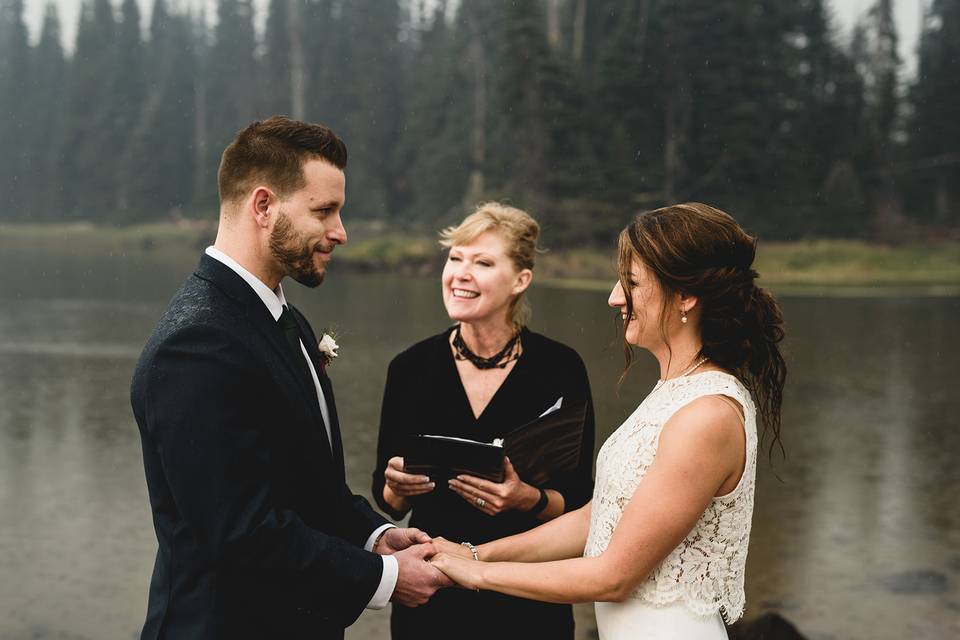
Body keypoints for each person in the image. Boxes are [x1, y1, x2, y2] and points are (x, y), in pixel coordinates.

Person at [130, 116, 448, 640]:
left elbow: (309, 490)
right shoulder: (195, 347)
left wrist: (375, 536)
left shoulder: (284, 319)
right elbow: (241, 533)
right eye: (324, 211)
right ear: (263, 206)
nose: (341, 232)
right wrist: (386, 579)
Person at [430, 202, 787, 640]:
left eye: (632, 283)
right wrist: (474, 554)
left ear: (686, 296)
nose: (615, 297)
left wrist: (476, 577)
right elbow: (597, 518)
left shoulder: (707, 413)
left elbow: (613, 577)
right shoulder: (675, 392)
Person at [372, 203, 596, 639]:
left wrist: (525, 498)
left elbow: (582, 502)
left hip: (529, 596)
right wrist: (395, 486)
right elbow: (387, 499)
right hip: (432, 590)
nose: (461, 273)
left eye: (483, 262)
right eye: (455, 258)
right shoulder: (410, 367)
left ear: (520, 281)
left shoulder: (560, 368)